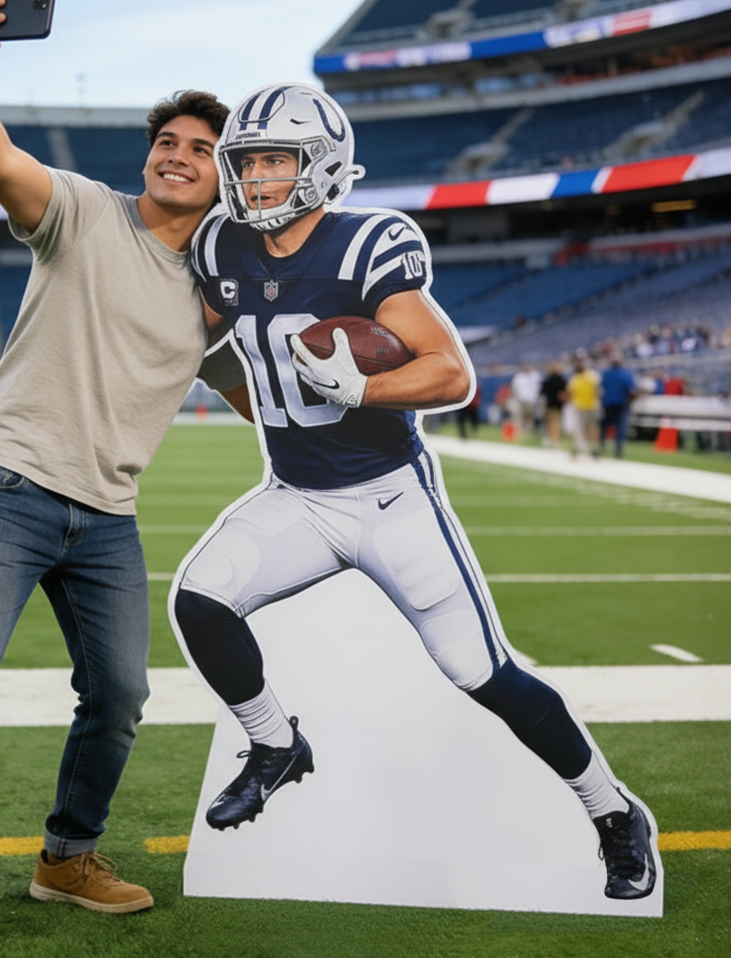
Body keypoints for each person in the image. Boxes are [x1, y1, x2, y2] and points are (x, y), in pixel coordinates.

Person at [171, 82, 656, 902]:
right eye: (246, 162)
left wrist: (359, 392)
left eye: (274, 162)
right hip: (296, 493)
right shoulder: (221, 246)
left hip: (389, 496)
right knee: (200, 599)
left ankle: (612, 814)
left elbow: (451, 372)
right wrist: (236, 385)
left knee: (480, 671)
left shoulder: (367, 245)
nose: (254, 179)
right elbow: (222, 338)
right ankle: (275, 744)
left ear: (321, 168)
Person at [0, 0, 237, 948]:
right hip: (9, 487)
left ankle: (67, 857)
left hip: (107, 513)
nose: (178, 155)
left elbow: (266, 386)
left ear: (225, 180)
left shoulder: (220, 295)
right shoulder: (81, 212)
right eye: (169, 141)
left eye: (201, 149)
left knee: (120, 697)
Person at [599, 354, 637, 458]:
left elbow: (601, 388)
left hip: (609, 404)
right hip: (619, 404)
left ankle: (602, 448)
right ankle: (618, 452)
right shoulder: (624, 374)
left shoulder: (607, 373)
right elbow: (632, 391)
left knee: (605, 427)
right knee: (619, 429)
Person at [566, 354, 601, 457]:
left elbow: (597, 391)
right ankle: (576, 448)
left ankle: (594, 448)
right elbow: (571, 394)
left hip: (591, 406)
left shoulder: (592, 376)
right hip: (580, 407)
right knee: (579, 429)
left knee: (592, 429)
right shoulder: (574, 379)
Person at [509, 362, 542, 438]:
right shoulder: (519, 377)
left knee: (529, 417)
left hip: (532, 400)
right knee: (521, 417)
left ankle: (528, 433)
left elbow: (539, 388)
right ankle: (521, 433)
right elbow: (514, 388)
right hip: (521, 400)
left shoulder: (535, 376)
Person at [540, 361, 567, 448]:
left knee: (551, 423)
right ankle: (555, 440)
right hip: (557, 405)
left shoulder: (549, 380)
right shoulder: (561, 380)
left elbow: (542, 392)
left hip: (551, 404)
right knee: (555, 423)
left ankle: (552, 439)